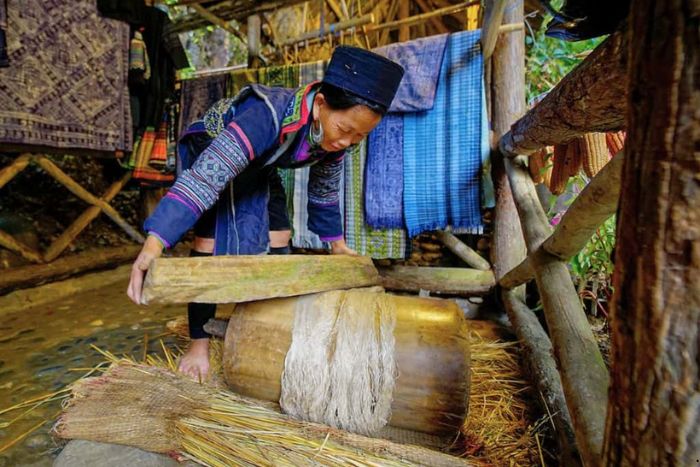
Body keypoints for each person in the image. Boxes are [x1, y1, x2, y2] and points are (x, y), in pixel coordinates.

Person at [127, 46, 404, 380]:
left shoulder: (335, 141)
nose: (349, 141)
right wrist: (155, 244)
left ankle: (268, 327)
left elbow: (324, 192)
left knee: (279, 235)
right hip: (213, 153)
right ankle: (199, 343)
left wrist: (337, 245)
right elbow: (203, 180)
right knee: (210, 246)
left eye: (360, 135)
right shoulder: (265, 114)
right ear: (319, 105)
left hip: (261, 164)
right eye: (345, 129)